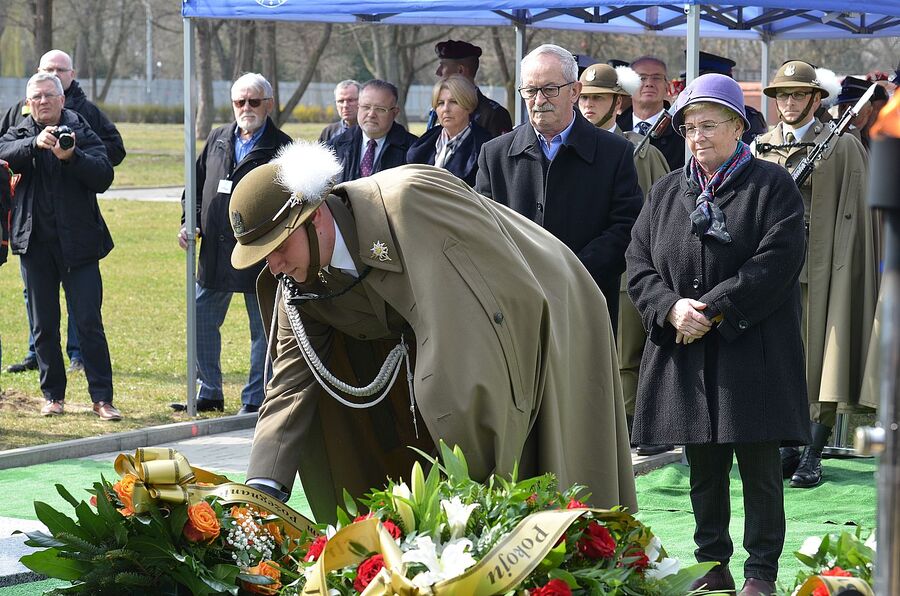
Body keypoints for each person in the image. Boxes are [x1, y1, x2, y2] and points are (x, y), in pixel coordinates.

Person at [226, 141, 637, 523]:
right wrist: (264, 487)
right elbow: (289, 387)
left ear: (315, 217)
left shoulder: (411, 205)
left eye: (278, 247)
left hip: (544, 309)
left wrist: (475, 494)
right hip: (443, 350)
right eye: (263, 256)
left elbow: (471, 347)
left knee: (532, 472)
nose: (273, 264)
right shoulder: (297, 280)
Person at [626, 73, 809, 596]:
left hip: (753, 350)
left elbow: (777, 261)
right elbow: (638, 263)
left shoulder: (772, 186)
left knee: (759, 465)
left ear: (736, 126)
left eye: (709, 124)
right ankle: (713, 563)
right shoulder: (666, 191)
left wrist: (714, 309)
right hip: (685, 350)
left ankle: (760, 572)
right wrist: (670, 308)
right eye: (689, 127)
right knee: (702, 465)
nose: (697, 135)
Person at [752, 61, 877, 489]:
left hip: (821, 266)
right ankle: (787, 441)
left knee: (822, 354)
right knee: (776, 355)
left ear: (816, 98)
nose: (788, 102)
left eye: (797, 94)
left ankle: (813, 449)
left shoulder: (840, 146)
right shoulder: (760, 145)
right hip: (771, 266)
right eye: (781, 95)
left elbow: (855, 215)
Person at [476, 44, 642, 328]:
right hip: (514, 309)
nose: (539, 100)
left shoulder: (615, 153)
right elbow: (482, 230)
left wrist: (569, 272)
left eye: (550, 89)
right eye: (530, 90)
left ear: (574, 92)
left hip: (585, 306)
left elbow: (626, 229)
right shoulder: (495, 155)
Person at [0, 73, 121, 420]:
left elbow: (104, 173)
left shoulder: (80, 128)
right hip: (35, 243)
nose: (43, 102)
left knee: (88, 322)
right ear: (28, 102)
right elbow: (3, 152)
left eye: (49, 96)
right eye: (36, 97)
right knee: (43, 325)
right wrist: (34, 145)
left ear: (62, 99)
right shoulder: (21, 130)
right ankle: (53, 395)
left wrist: (71, 156)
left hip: (79, 245)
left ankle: (102, 399)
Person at [170, 73, 292, 415]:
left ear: (268, 104)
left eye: (254, 101)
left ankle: (255, 398)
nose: (246, 108)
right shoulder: (218, 137)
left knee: (264, 329)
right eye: (240, 102)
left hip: (259, 253)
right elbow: (194, 187)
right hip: (213, 251)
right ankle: (209, 391)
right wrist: (189, 222)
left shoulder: (282, 147)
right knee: (201, 318)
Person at [576, 62, 671, 455]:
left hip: (629, 272)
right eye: (583, 98)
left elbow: (658, 215)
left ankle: (633, 426)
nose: (588, 106)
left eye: (597, 98)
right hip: (584, 267)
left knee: (626, 354)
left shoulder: (640, 152)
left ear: (618, 103)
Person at [406, 75, 492, 186]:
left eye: (454, 102)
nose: (446, 109)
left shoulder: (484, 146)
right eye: (440, 103)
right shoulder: (424, 143)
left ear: (468, 106)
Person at [328, 80, 417, 183]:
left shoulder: (413, 151)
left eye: (380, 109)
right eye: (366, 107)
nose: (371, 114)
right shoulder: (335, 147)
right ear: (358, 108)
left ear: (395, 113)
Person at [678, 51, 768, 144]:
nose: (697, 138)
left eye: (708, 126)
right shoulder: (683, 115)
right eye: (690, 128)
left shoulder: (750, 117)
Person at [428, 39, 512, 138]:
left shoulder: (494, 114)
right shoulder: (439, 108)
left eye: (443, 66)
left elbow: (500, 151)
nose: (438, 72)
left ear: (460, 70)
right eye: (441, 103)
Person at [616, 56, 684, 170]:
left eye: (656, 78)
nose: (649, 83)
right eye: (642, 78)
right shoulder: (615, 127)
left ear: (667, 86)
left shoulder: (681, 130)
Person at [835, 76, 875, 150]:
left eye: (852, 106)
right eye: (842, 106)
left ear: (868, 111)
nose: (845, 111)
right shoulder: (829, 135)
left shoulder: (876, 141)